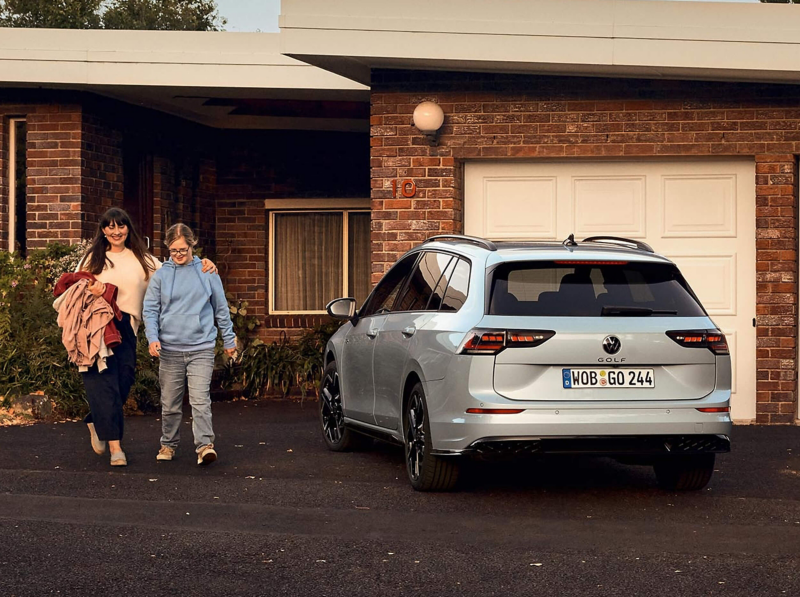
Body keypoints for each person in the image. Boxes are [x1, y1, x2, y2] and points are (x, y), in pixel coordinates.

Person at [77, 208, 217, 467]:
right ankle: (116, 447)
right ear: (103, 230)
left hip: (127, 328)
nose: (115, 231)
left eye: (121, 226)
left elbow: (177, 270)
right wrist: (93, 290)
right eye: (109, 227)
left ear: (128, 228)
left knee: (123, 381)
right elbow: (74, 291)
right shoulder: (92, 259)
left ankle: (96, 419)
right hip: (97, 328)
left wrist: (206, 264)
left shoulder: (143, 259)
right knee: (104, 383)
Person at [142, 223, 236, 466]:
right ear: (168, 249)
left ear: (192, 245)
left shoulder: (206, 271)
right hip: (170, 349)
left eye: (183, 250)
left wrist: (229, 340)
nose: (179, 255)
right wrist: (152, 338)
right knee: (170, 403)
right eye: (174, 251)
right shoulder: (161, 275)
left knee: (200, 399)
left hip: (201, 347)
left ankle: (205, 446)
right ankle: (168, 444)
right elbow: (150, 310)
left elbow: (221, 308)